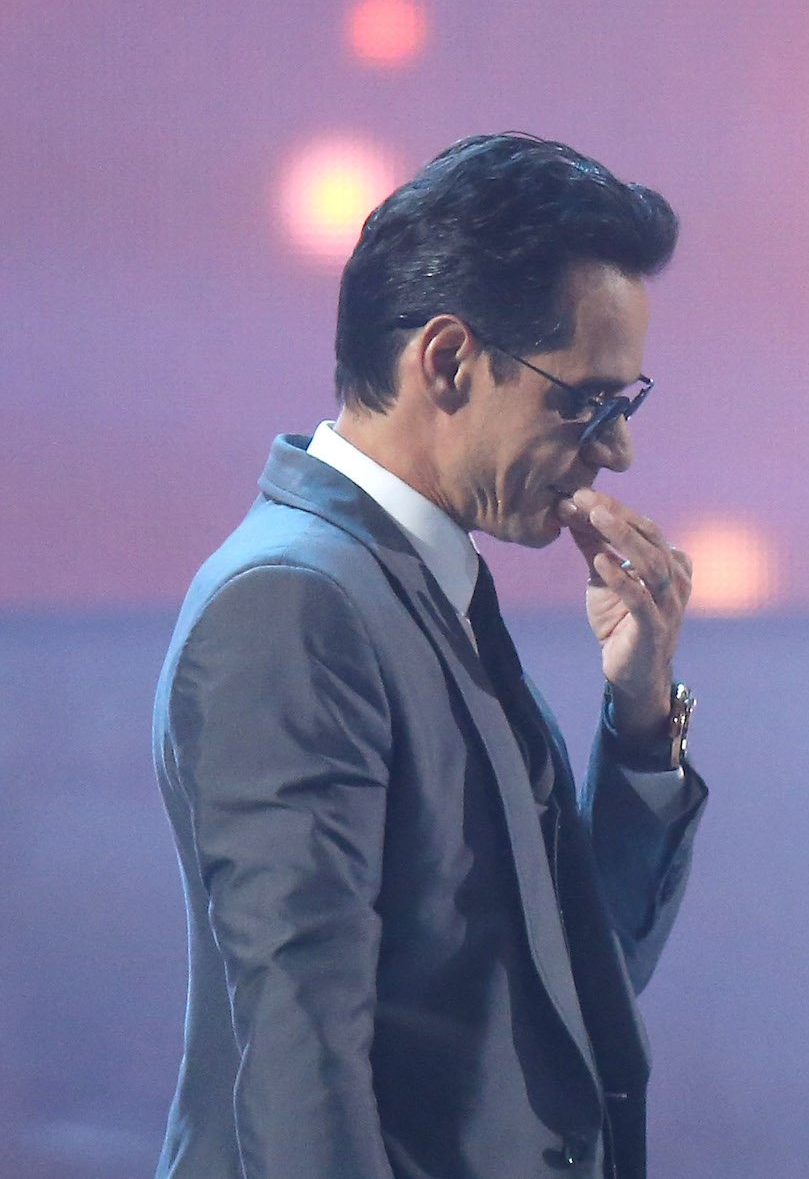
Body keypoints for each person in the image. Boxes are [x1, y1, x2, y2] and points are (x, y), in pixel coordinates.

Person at [153, 133, 707, 1179]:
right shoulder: (294, 605)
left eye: (624, 405)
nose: (614, 449)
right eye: (583, 401)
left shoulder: (414, 581)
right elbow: (299, 1058)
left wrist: (638, 719)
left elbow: (569, 988)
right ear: (447, 360)